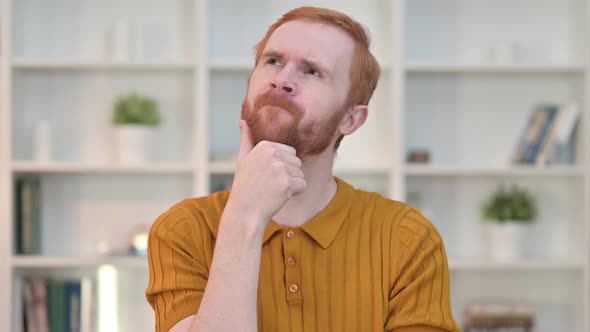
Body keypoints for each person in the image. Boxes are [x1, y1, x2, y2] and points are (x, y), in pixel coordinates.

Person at [146, 6, 461, 332]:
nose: (282, 80)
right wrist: (245, 217)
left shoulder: (408, 239)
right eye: (273, 61)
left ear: (350, 119)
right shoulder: (183, 230)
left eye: (312, 71)